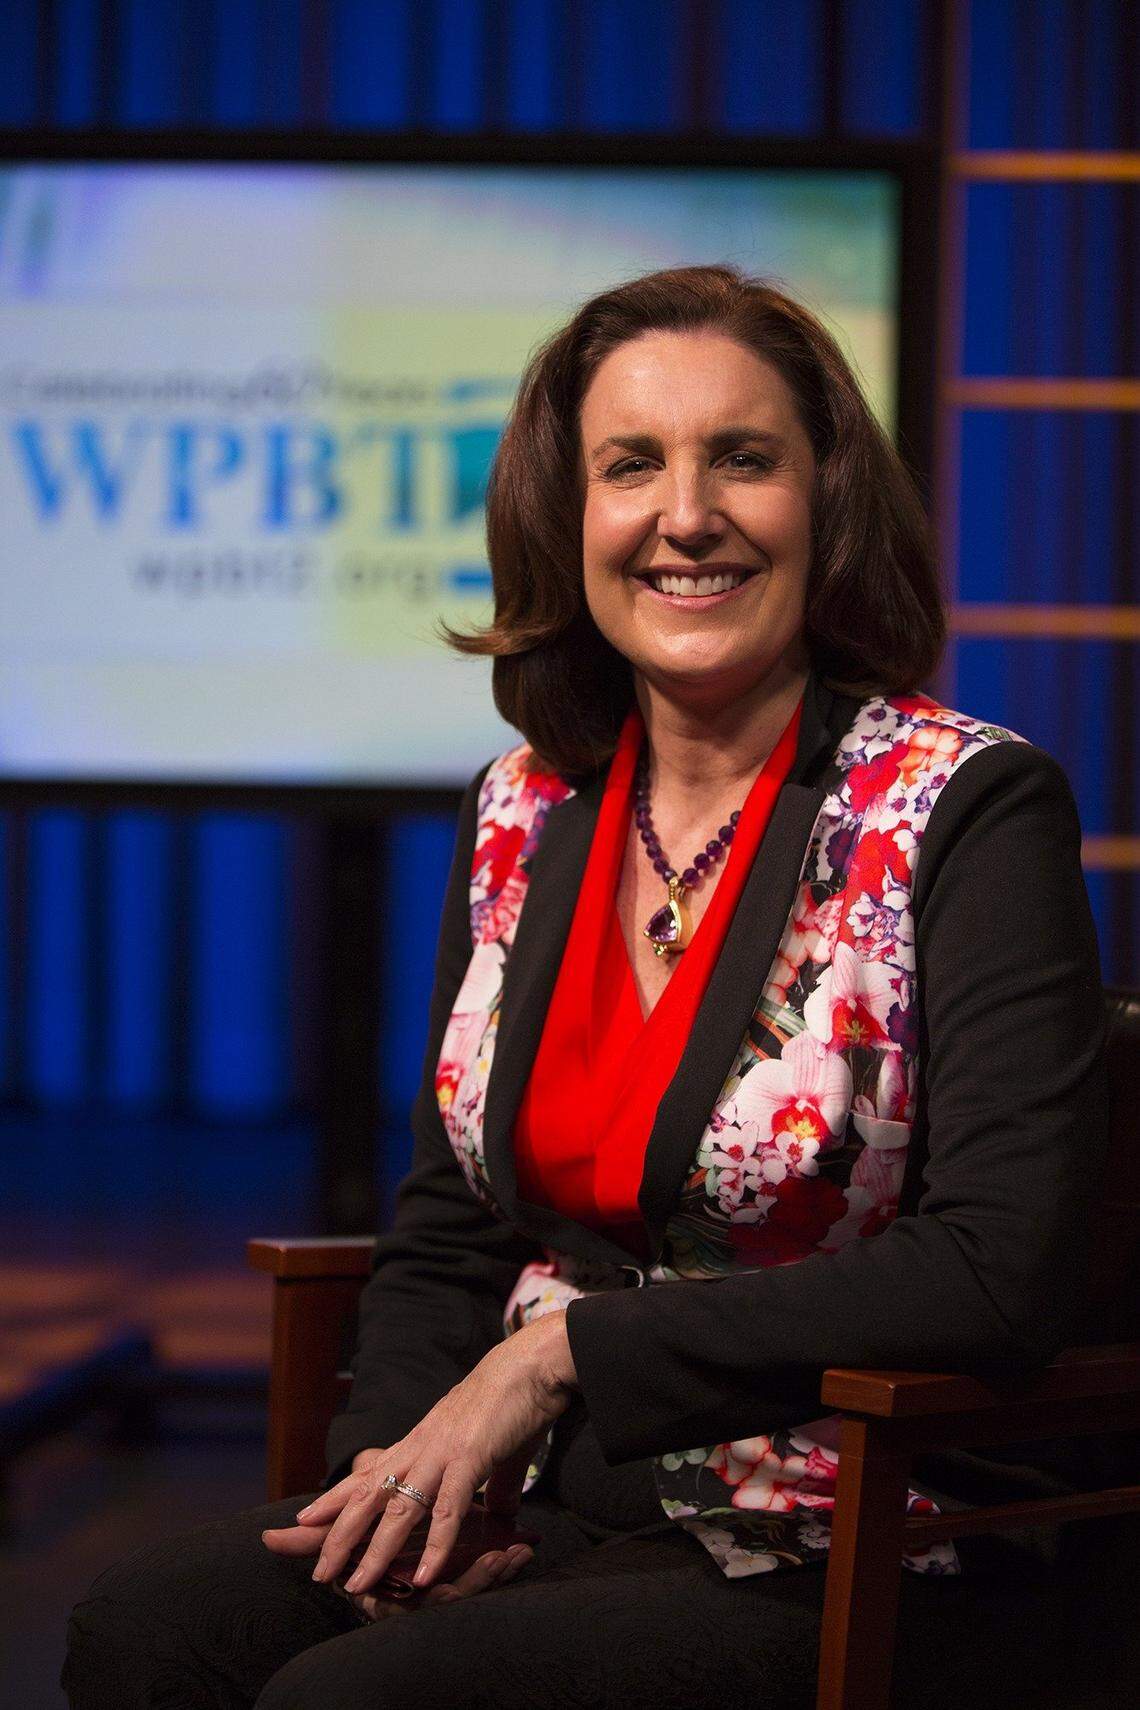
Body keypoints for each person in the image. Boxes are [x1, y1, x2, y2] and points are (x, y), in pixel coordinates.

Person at [63, 265, 1125, 1709]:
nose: (687, 515)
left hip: (852, 1522)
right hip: (548, 1491)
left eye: (742, 459)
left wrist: (563, 1359)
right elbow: (448, 1222)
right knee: (145, 1628)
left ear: (826, 502)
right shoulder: (526, 806)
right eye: (634, 466)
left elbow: (999, 1271)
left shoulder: (963, 807)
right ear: (572, 518)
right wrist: (399, 1482)